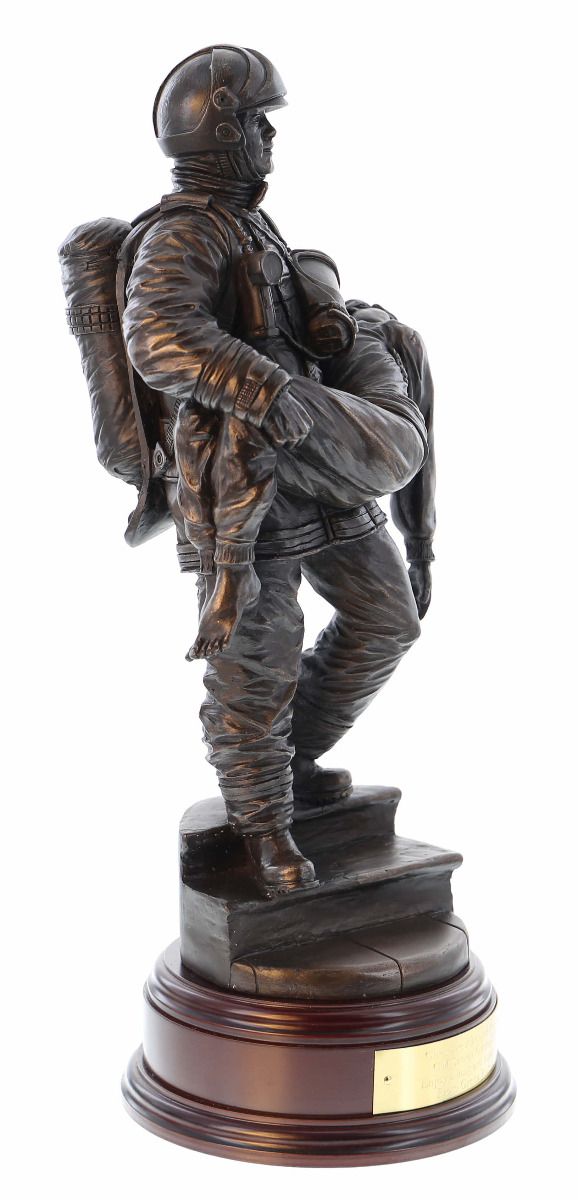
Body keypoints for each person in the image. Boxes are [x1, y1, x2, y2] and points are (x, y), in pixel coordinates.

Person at [122, 45, 436, 896]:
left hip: (316, 461)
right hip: (241, 482)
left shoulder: (249, 222)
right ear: (224, 131)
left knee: (387, 620)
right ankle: (262, 827)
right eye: (259, 122)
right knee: (255, 661)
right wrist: (262, 389)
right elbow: (159, 338)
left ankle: (287, 760)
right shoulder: (185, 233)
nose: (270, 135)